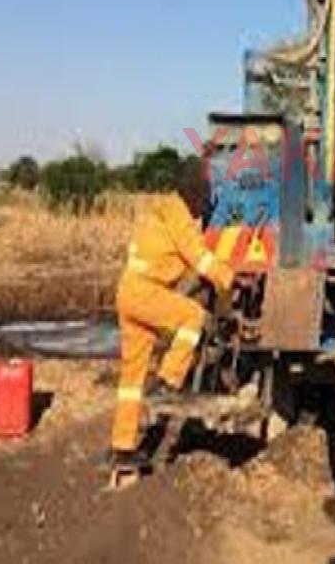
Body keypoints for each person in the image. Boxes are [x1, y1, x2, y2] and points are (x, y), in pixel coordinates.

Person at [109, 169, 234, 478]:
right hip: (145, 291)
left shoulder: (161, 208)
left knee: (131, 377)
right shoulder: (179, 216)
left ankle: (122, 449)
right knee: (192, 316)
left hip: (128, 291)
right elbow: (200, 260)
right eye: (204, 202)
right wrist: (230, 279)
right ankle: (168, 382)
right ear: (195, 197)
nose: (203, 209)